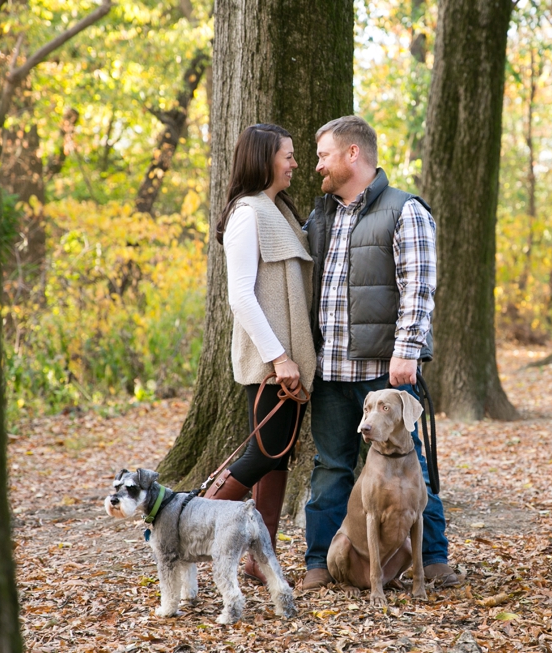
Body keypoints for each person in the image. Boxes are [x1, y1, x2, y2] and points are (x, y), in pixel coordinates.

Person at [300, 115, 458, 590]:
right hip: (329, 371)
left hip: (383, 373)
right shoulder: (320, 215)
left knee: (412, 464)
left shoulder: (404, 210)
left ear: (353, 154)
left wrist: (408, 350)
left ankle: (431, 559)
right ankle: (319, 564)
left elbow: (418, 286)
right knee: (330, 467)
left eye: (324, 154)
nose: (317, 166)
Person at [203, 124, 316, 583]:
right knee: (263, 454)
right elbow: (241, 297)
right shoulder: (248, 214)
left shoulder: (278, 210)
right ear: (264, 158)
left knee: (277, 455)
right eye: (287, 156)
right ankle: (181, 521)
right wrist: (279, 358)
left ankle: (259, 561)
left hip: (287, 361)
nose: (294, 163)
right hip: (272, 364)